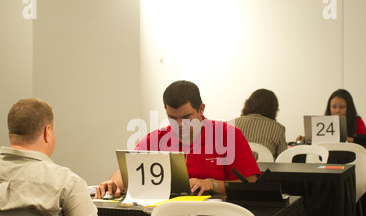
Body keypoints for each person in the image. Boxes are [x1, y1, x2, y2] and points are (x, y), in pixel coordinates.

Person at [95, 80, 261, 198]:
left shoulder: (228, 135)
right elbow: (127, 171)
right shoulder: (157, 139)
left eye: (186, 117)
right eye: (172, 118)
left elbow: (251, 185)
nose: (180, 124)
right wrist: (112, 183)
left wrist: (213, 184)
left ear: (201, 109)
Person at [232, 88, 288, 159]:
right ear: (273, 109)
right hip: (263, 170)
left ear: (248, 104)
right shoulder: (278, 128)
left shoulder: (230, 124)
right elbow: (283, 158)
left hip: (233, 169)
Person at [296, 89, 366, 143]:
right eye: (334, 107)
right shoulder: (323, 122)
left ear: (349, 108)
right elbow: (318, 138)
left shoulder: (357, 122)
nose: (337, 110)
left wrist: (348, 139)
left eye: (342, 107)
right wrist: (305, 138)